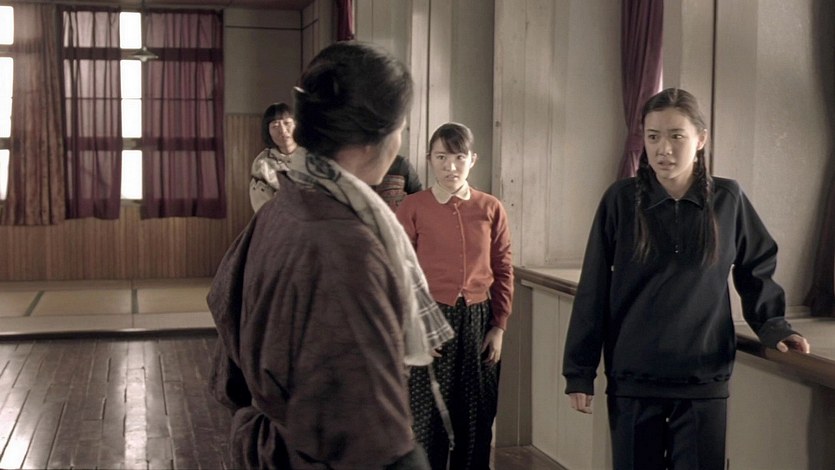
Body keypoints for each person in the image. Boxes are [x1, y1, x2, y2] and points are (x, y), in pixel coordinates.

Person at [208, 41, 454, 469]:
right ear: (376, 138)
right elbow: (376, 442)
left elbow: (229, 360)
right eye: (401, 128)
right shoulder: (347, 250)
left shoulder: (283, 206)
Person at [562, 88, 811, 470]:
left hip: (703, 377)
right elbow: (593, 289)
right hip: (634, 377)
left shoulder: (728, 199)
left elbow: (757, 267)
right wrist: (579, 372)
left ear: (701, 139)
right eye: (652, 136)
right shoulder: (620, 200)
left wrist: (773, 325)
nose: (663, 149)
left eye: (676, 136)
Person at [396, 122, 514, 469]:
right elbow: (399, 272)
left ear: (472, 159)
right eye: (441, 157)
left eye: (459, 157)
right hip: (429, 317)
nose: (450, 166)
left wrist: (499, 326)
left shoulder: (491, 207)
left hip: (479, 320)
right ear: (429, 159)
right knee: (427, 419)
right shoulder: (412, 207)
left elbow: (503, 269)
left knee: (476, 416)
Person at [249, 102, 300, 212]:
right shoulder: (262, 164)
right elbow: (263, 209)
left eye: (287, 123)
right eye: (275, 126)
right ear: (268, 131)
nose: (282, 130)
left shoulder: (313, 157)